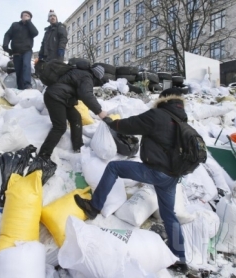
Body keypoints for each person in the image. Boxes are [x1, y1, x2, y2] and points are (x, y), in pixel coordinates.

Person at [74, 87, 189, 275]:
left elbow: (129, 125)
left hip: (156, 171)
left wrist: (111, 122)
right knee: (169, 216)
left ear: (163, 99)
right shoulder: (182, 119)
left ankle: (94, 207)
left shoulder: (158, 115)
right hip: (172, 176)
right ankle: (181, 259)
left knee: (114, 167)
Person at [38, 65, 108, 159]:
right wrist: (99, 111)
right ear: (97, 76)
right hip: (55, 97)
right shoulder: (87, 77)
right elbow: (86, 95)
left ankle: (78, 147)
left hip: (63, 98)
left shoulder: (82, 73)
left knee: (76, 117)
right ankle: (43, 155)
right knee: (60, 127)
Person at [3, 11, 39, 90]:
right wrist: (5, 46)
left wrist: (29, 22)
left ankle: (27, 85)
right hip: (16, 52)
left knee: (26, 65)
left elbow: (35, 33)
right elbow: (8, 34)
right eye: (25, 15)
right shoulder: (15, 25)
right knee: (18, 71)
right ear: (21, 17)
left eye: (28, 16)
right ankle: (20, 89)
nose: (26, 16)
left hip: (27, 50)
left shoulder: (30, 27)